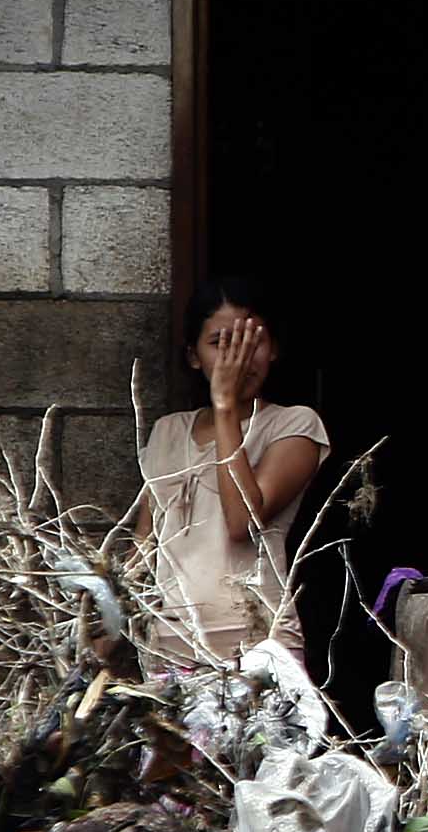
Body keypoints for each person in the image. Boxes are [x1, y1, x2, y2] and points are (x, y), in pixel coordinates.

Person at [132, 277, 331, 665]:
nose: (236, 358)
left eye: (251, 340)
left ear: (273, 349)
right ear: (193, 356)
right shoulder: (168, 431)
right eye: (220, 343)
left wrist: (224, 407)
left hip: (257, 650)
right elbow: (145, 545)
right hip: (169, 650)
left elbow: (242, 522)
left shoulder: (294, 426)